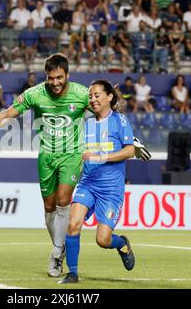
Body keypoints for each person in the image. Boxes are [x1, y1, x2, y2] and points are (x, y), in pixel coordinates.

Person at [0, 53, 151, 277]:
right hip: (47, 155)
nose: (55, 82)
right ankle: (59, 245)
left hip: (72, 155)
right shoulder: (35, 94)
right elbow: (8, 114)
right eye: (51, 78)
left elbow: (106, 110)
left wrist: (131, 140)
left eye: (59, 77)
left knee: (64, 200)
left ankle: (58, 255)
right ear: (46, 76)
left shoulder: (80, 93)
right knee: (49, 207)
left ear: (67, 75)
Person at [59, 80, 136, 284]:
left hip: (111, 189)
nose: (92, 99)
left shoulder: (120, 121)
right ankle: (72, 273)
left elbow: (130, 150)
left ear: (109, 97)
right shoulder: (86, 122)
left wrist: (101, 156)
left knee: (103, 240)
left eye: (97, 95)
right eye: (90, 96)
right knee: (73, 224)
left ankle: (122, 244)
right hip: (88, 183)